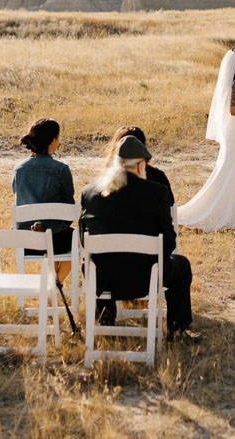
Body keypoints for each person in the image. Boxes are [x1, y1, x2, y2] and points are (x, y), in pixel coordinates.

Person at [80, 135, 196, 340]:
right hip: (144, 279)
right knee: (182, 265)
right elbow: (168, 243)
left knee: (94, 259)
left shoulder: (89, 193)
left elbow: (83, 240)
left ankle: (105, 319)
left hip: (101, 279)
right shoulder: (156, 193)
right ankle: (178, 329)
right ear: (141, 166)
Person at [178, 46, 235, 231]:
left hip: (234, 132)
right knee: (231, 169)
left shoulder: (232, 83)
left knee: (231, 168)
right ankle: (226, 211)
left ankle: (233, 210)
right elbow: (234, 110)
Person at [12, 118, 75, 281]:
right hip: (56, 238)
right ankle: (54, 286)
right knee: (78, 242)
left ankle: (51, 287)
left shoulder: (19, 170)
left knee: (57, 236)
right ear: (52, 140)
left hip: (25, 240)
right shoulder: (61, 170)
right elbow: (69, 210)